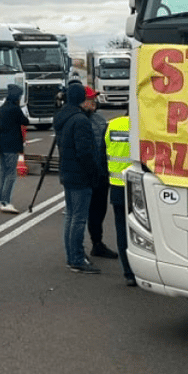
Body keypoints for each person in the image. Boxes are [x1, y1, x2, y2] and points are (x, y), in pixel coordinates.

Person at [54, 81, 103, 274]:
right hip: (80, 175)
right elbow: (85, 152)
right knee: (79, 218)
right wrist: (94, 174)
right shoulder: (81, 120)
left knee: (72, 217)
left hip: (67, 172)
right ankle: (76, 257)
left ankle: (72, 255)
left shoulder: (63, 117)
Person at [82, 87, 119, 259]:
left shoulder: (99, 118)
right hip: (86, 175)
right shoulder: (77, 120)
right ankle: (78, 248)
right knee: (81, 214)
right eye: (90, 99)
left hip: (102, 173)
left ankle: (97, 243)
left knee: (99, 210)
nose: (94, 102)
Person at [105, 113, 137, 287]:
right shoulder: (143, 124)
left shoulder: (112, 124)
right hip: (138, 187)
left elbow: (104, 149)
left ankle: (128, 272)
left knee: (122, 230)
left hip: (116, 185)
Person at [0, 83, 28, 213]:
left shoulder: (2, 108)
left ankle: (0, 200)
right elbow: (25, 121)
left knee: (3, 172)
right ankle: (6, 201)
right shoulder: (15, 109)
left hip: (2, 145)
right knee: (11, 174)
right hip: (12, 145)